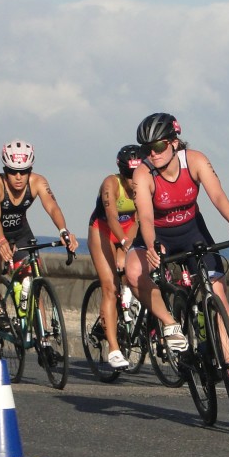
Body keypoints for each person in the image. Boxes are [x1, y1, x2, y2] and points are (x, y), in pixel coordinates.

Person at [124, 112, 229, 399]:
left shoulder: (194, 160)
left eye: (158, 147)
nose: (152, 154)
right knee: (133, 272)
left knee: (217, 294)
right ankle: (170, 324)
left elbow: (217, 195)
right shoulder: (142, 173)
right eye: (147, 149)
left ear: (173, 142)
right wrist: (151, 246)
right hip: (159, 236)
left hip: (193, 232)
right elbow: (145, 217)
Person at [0, 140, 79, 324]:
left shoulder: (38, 182)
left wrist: (64, 231)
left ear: (30, 170)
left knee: (32, 281)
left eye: (23, 171)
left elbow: (53, 207)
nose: (18, 176)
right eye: (12, 171)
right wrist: (1, 242)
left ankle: (43, 337)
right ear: (4, 169)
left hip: (21, 233)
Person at [87, 144, 143, 370]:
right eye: (128, 175)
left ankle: (125, 314)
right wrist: (122, 242)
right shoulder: (111, 184)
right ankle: (113, 348)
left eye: (136, 175)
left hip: (128, 228)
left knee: (131, 273)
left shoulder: (144, 184)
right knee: (110, 286)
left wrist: (128, 246)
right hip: (102, 230)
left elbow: (140, 220)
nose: (132, 180)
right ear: (121, 172)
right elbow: (111, 217)